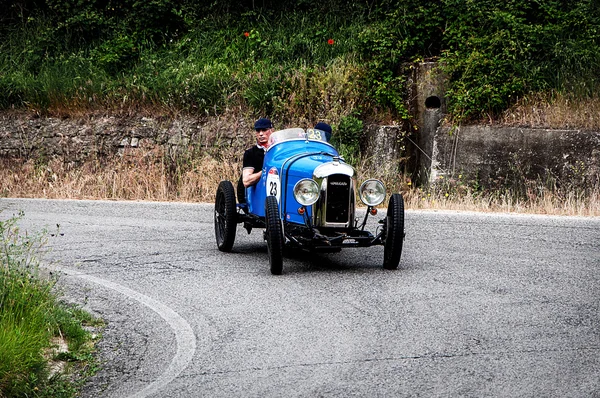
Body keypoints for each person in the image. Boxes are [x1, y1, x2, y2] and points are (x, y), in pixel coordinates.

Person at [237, 117, 274, 203]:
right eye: (258, 131)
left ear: (272, 131)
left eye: (264, 130)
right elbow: (246, 181)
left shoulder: (280, 150)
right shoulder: (251, 153)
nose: (261, 134)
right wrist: (264, 172)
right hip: (258, 196)